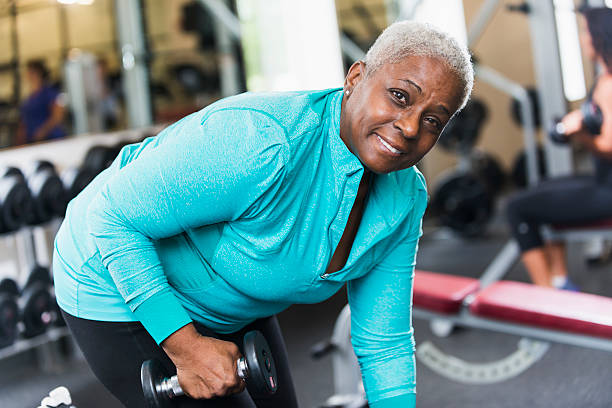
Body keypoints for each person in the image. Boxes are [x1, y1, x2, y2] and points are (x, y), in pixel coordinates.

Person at [53, 21, 472, 408]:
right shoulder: (262, 144)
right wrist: (188, 347)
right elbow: (113, 217)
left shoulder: (403, 200)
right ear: (356, 77)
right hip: (114, 278)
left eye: (433, 120)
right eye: (400, 97)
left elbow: (385, 342)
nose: (411, 127)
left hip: (232, 301)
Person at [506, 6, 612, 290]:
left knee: (516, 208)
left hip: (608, 192)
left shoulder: (610, 84)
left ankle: (548, 298)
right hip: (603, 181)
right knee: (542, 188)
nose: (581, 38)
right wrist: (572, 129)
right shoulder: (604, 79)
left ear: (598, 37)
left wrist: (579, 135)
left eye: (584, 32)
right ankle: (560, 279)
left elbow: (609, 146)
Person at [16, 59, 66, 145]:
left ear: (38, 73)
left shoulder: (50, 92)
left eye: (30, 71)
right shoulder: (29, 98)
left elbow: (57, 116)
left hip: (50, 139)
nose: (27, 74)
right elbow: (24, 122)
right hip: (33, 141)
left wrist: (42, 132)